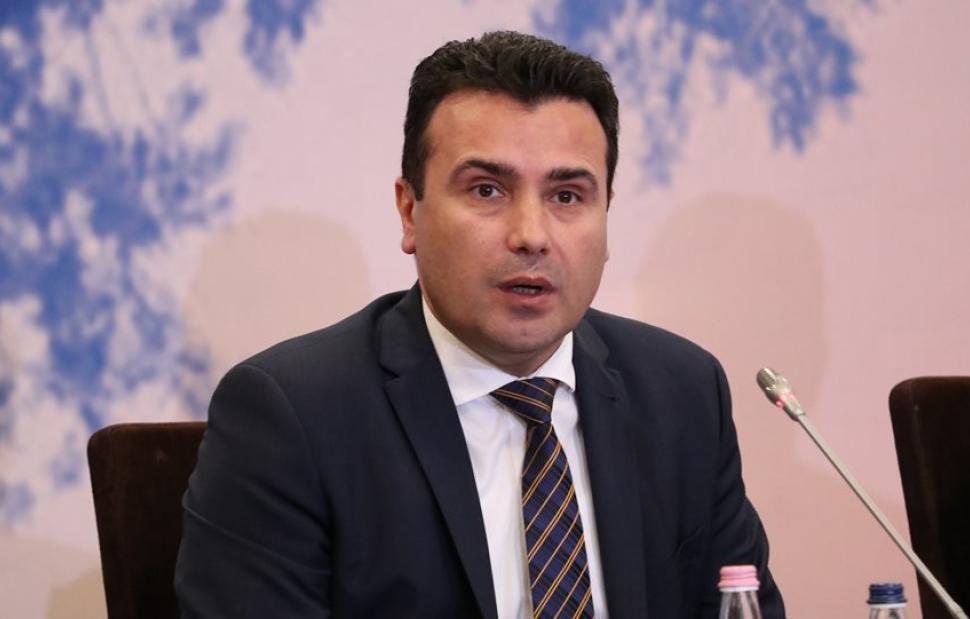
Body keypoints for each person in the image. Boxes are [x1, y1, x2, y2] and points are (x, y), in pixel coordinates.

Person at [175, 31, 785, 618]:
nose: (531, 236)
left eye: (567, 196)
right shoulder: (295, 418)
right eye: (487, 190)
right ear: (409, 211)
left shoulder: (682, 393)